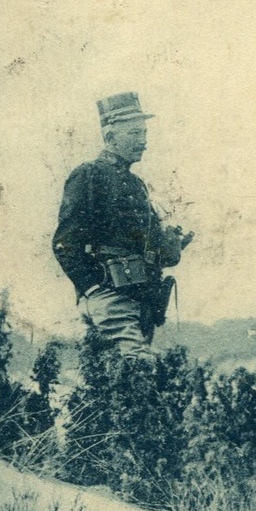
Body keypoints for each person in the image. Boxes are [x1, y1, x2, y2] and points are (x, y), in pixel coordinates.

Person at [52, 92, 192, 361]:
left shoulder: (137, 184)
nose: (144, 142)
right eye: (135, 133)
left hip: (142, 302)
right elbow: (64, 243)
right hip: (110, 298)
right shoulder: (89, 175)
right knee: (138, 370)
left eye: (144, 133)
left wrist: (170, 243)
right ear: (110, 137)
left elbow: (154, 251)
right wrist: (91, 289)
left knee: (125, 383)